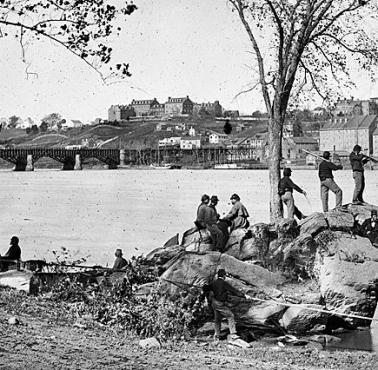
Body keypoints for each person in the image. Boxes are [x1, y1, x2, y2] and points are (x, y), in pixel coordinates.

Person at [208, 269, 251, 341]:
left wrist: (205, 286)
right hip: (220, 304)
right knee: (230, 316)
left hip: (214, 303)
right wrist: (244, 296)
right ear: (224, 275)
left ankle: (216, 336)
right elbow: (234, 291)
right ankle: (233, 334)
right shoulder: (224, 283)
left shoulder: (214, 283)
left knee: (217, 319)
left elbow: (206, 288)